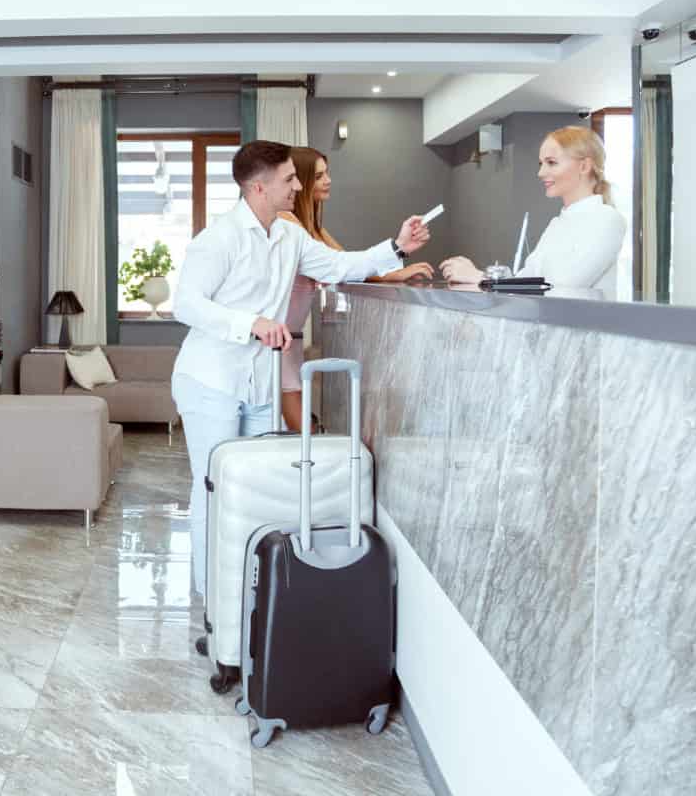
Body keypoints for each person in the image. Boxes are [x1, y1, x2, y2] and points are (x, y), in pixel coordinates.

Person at [171, 140, 432, 596]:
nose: (298, 186)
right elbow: (187, 305)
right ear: (258, 187)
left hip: (261, 385)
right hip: (211, 382)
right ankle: (213, 597)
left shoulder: (290, 237)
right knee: (213, 487)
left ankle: (248, 597)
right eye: (289, 179)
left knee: (255, 489)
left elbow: (339, 266)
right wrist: (250, 323)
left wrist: (397, 247)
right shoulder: (218, 239)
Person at [277, 146, 434, 434]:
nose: (328, 181)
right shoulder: (287, 222)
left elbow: (344, 262)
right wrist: (397, 250)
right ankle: (313, 458)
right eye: (319, 176)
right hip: (277, 335)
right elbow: (337, 266)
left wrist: (394, 271)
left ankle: (313, 455)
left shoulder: (311, 227)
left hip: (290, 335)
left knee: (293, 404)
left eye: (327, 173)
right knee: (292, 408)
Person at [440, 126, 627, 292]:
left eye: (551, 162)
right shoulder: (557, 223)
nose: (541, 173)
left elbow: (563, 286)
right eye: (541, 164)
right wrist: (487, 276)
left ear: (584, 166)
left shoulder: (607, 219)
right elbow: (527, 278)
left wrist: (482, 278)